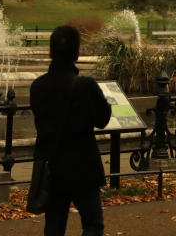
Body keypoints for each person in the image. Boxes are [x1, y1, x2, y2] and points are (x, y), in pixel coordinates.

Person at [30, 26, 112, 236]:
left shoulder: (37, 86)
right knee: (93, 224)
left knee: (54, 225)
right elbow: (103, 120)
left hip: (53, 165)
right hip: (83, 165)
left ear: (50, 52)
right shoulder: (86, 86)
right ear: (77, 53)